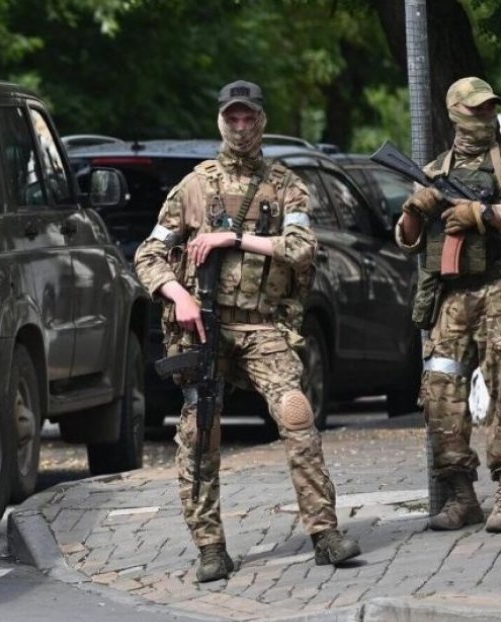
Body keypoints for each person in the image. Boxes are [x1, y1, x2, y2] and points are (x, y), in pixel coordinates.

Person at [134, 80, 361, 583]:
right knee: (199, 431)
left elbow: (303, 247)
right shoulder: (193, 187)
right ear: (221, 119)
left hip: (262, 326)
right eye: (232, 117)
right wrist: (179, 294)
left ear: (261, 120)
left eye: (248, 117)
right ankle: (210, 547)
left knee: (296, 414)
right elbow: (148, 254)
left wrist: (234, 237)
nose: (240, 127)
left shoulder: (286, 185)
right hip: (206, 330)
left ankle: (324, 533)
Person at [396, 77, 501, 534]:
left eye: (488, 110)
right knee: (440, 391)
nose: (483, 118)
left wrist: (481, 214)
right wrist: (414, 210)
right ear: (455, 112)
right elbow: (406, 241)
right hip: (452, 298)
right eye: (475, 109)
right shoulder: (435, 171)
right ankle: (462, 495)